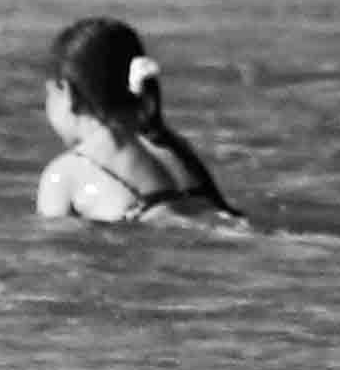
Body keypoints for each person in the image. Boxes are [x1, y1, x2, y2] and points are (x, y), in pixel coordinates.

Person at [37, 17, 240, 223]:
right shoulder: (176, 148)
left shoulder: (66, 174)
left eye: (48, 94)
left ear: (67, 92)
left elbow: (56, 250)